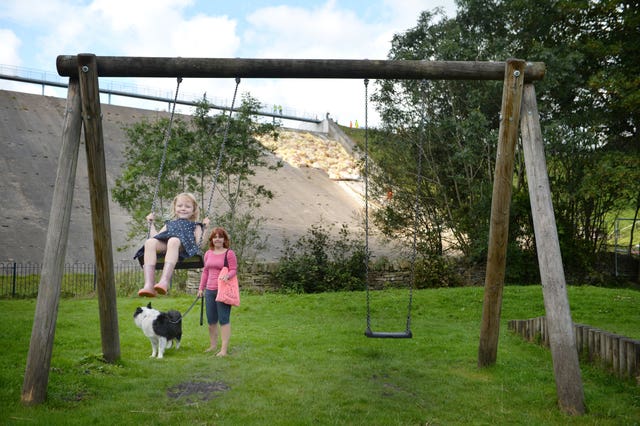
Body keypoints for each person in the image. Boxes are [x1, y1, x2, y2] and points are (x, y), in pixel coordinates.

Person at [135, 192, 209, 297]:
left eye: (187, 206)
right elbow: (156, 237)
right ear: (175, 208)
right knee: (149, 242)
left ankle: (164, 281)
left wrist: (205, 228)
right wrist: (151, 225)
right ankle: (149, 285)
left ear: (193, 210)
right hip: (168, 245)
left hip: (184, 246)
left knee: (173, 240)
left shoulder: (195, 225)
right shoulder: (169, 224)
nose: (183, 208)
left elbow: (200, 244)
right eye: (180, 206)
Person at [198, 227, 237, 356]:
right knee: (211, 321)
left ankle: (224, 350)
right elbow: (205, 272)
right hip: (209, 291)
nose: (217, 239)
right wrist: (201, 288)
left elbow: (233, 269)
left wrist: (228, 276)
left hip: (223, 290)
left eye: (220, 237)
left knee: (224, 320)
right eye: (215, 237)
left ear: (224, 239)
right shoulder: (208, 253)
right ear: (212, 240)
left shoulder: (229, 253)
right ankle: (213, 346)